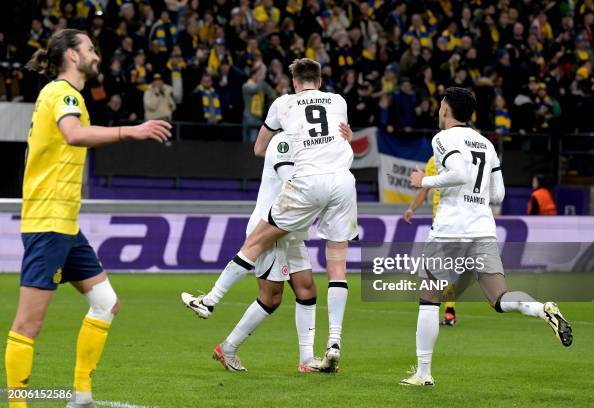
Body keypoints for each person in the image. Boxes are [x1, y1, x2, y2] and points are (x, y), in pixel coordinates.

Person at [4, 29, 171, 408]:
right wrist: (133, 131)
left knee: (107, 302)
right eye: (91, 49)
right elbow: (74, 134)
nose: (97, 55)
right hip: (48, 221)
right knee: (28, 325)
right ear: (72, 56)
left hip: (65, 223)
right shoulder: (62, 92)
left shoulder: (66, 94)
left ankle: (80, 397)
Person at [183, 58, 358, 373]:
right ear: (319, 81)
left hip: (294, 222)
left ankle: (306, 360)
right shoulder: (282, 143)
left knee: (306, 289)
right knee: (272, 297)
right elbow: (293, 179)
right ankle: (225, 337)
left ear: (294, 85)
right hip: (275, 218)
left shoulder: (296, 122)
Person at [404, 87, 572, 386]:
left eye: (441, 106)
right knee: (499, 298)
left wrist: (424, 180)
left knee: (429, 298)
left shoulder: (443, 138)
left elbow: (458, 174)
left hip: (451, 229)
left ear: (446, 110)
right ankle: (540, 308)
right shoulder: (485, 143)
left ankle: (423, 373)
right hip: (482, 228)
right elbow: (498, 194)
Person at [404, 155, 458, 326]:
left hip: (455, 220)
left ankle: (447, 310)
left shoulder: (459, 159)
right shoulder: (432, 161)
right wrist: (412, 208)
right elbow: (424, 189)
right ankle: (445, 309)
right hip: (438, 222)